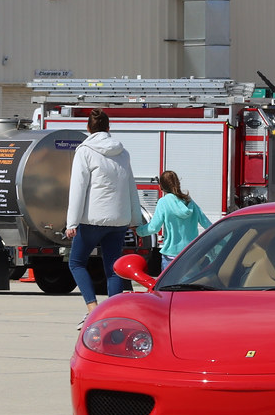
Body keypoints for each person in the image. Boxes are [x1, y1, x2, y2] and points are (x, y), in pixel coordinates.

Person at [65, 109, 144, 327]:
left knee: (76, 262)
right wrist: (135, 219)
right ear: (109, 128)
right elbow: (131, 187)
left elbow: (78, 188)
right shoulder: (123, 152)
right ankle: (113, 313)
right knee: (113, 267)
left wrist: (71, 223)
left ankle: (92, 310)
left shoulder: (85, 151)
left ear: (88, 129)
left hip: (92, 219)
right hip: (119, 220)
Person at [135, 170, 212, 268]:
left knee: (169, 283)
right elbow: (207, 224)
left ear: (161, 186)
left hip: (171, 255)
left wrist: (139, 231)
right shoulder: (189, 202)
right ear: (178, 183)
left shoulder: (163, 202)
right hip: (191, 252)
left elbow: (154, 228)